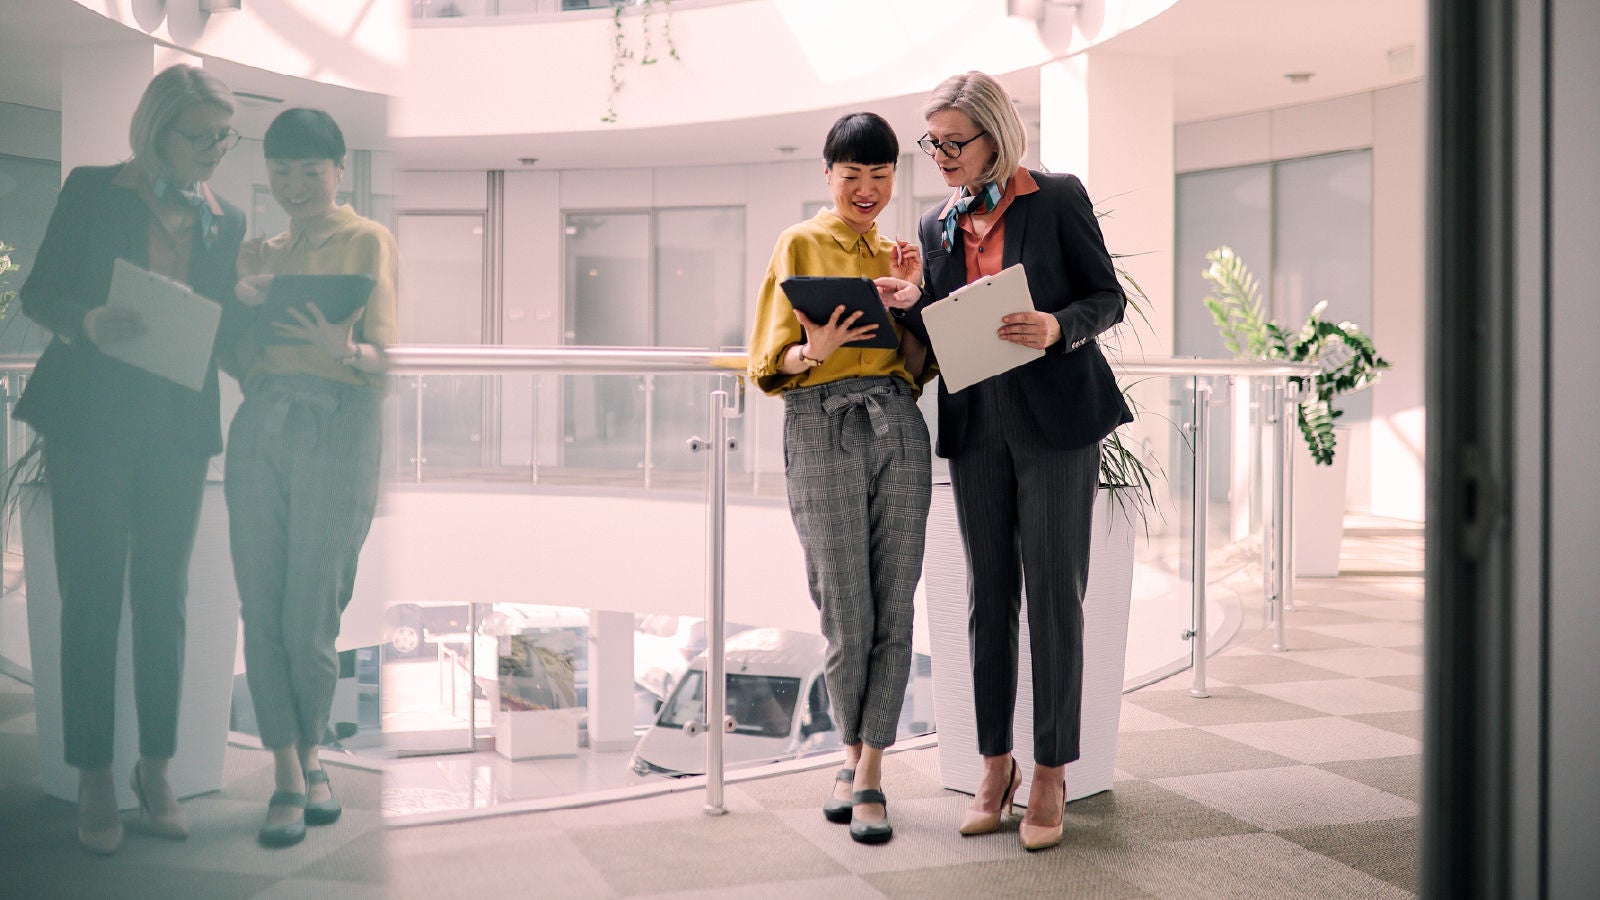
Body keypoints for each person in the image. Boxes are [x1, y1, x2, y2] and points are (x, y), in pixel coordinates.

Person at [887, 71, 1131, 851]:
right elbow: (947, 324)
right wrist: (910, 303)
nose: (942, 156)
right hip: (977, 420)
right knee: (988, 599)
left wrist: (1057, 327)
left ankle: (1052, 769)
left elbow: (1106, 297)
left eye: (954, 142)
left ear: (997, 135)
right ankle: (996, 765)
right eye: (934, 143)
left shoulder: (1055, 199)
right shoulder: (936, 223)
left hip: (1056, 420)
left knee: (1056, 598)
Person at [11, 64, 247, 854]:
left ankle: (155, 767)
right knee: (91, 600)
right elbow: (37, 294)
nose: (215, 150)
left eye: (225, 137)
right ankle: (93, 775)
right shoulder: (91, 190)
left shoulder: (227, 218)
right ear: (156, 129)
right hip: (91, 423)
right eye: (200, 135)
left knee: (163, 599)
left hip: (176, 430)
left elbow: (221, 328)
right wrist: (87, 321)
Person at [747, 112, 933, 845]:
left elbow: (916, 370)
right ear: (828, 174)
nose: (866, 189)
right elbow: (769, 361)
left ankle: (869, 769)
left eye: (880, 176)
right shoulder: (800, 242)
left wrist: (914, 304)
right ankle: (848, 755)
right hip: (819, 422)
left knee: (895, 604)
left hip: (896, 422)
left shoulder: (897, 253)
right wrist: (813, 349)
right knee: (843, 606)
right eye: (851, 174)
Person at [221, 108, 397, 848]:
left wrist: (345, 347)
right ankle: (290, 776)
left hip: (340, 422)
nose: (294, 185)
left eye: (309, 170)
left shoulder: (366, 240)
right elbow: (232, 358)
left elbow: (389, 359)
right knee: (259, 609)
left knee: (311, 613)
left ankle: (312, 756)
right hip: (261, 422)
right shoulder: (259, 252)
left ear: (339, 171)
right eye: (281, 170)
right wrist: (243, 307)